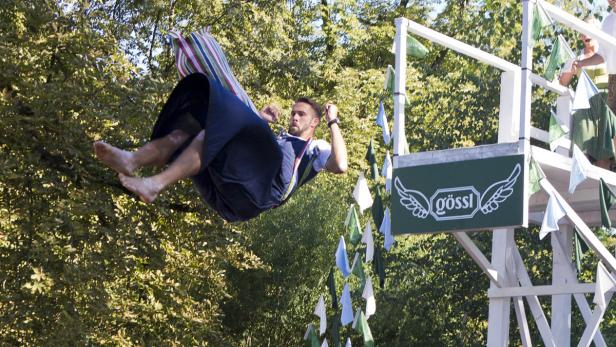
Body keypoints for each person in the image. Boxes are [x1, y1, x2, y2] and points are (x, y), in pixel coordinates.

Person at [94, 73, 347, 222]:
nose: (294, 117)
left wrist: (333, 121)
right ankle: (133, 160)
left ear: (314, 122)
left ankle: (153, 185)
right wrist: (259, 119)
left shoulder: (314, 147)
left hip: (259, 195)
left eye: (301, 114)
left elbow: (341, 166)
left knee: (211, 135)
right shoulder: (279, 140)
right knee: (195, 131)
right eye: (293, 113)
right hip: (227, 200)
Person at [560, 17, 616, 169]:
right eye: (583, 31)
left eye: (589, 30)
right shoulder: (577, 57)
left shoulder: (608, 51)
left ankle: (601, 188)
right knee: (583, 146)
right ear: (580, 35)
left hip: (606, 104)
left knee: (604, 152)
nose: (586, 34)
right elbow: (563, 82)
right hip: (585, 105)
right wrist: (572, 69)